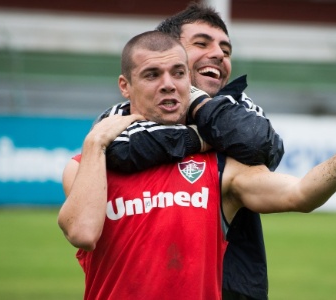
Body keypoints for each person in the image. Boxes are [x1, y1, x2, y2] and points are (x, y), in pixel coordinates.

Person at [58, 30, 336, 299]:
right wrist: (95, 144)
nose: (168, 85)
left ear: (191, 81)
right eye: (152, 75)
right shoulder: (92, 163)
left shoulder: (220, 166)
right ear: (126, 85)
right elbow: (83, 233)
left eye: (178, 73)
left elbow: (300, 194)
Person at [96, 4, 282, 299]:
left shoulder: (238, 106)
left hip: (236, 287)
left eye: (226, 49)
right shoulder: (122, 114)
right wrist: (202, 138)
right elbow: (120, 149)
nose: (219, 54)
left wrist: (200, 105)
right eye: (202, 43)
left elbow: (263, 145)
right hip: (152, 285)